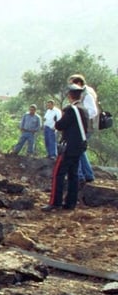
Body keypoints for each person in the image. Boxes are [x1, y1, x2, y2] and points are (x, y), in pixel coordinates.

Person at [44, 84, 89, 212]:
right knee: (73, 175)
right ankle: (70, 203)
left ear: (69, 95)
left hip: (68, 147)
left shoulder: (71, 110)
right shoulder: (84, 109)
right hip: (79, 147)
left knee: (58, 173)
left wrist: (56, 122)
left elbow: (60, 125)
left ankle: (55, 202)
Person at [69, 74, 98, 183]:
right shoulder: (84, 93)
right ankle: (87, 174)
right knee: (80, 150)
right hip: (83, 126)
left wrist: (80, 117)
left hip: (86, 127)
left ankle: (81, 175)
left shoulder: (87, 94)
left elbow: (93, 111)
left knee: (78, 149)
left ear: (79, 84)